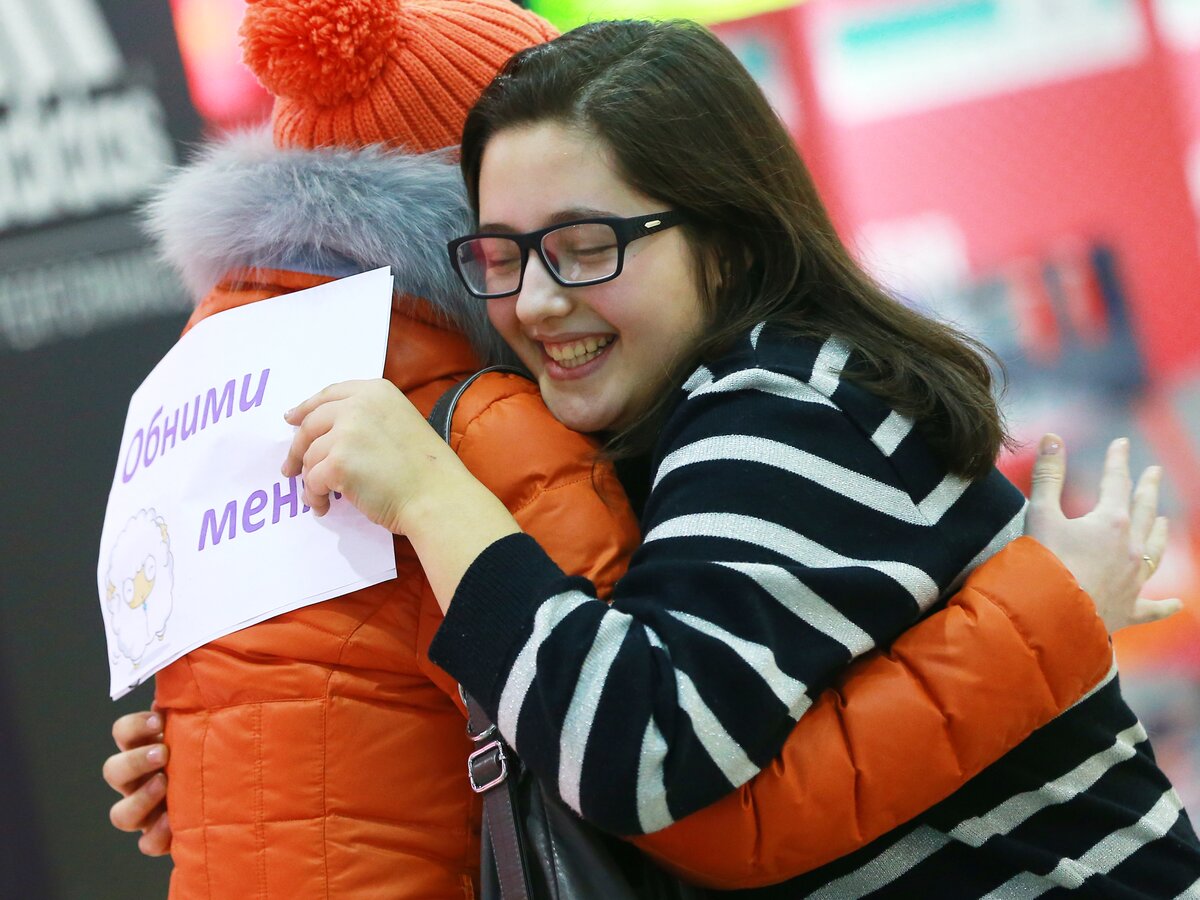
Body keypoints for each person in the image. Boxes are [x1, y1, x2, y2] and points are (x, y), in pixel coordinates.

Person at [103, 10, 1176, 897]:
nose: (535, 299)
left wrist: (437, 494)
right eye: (500, 254)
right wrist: (248, 766)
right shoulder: (659, 428)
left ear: (730, 235)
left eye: (586, 247)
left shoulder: (783, 406)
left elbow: (646, 756)